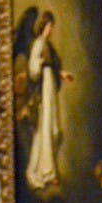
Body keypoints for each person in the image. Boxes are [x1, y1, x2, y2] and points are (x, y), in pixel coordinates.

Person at [25, 10, 73, 190]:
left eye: (52, 26)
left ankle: (44, 171)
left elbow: (52, 66)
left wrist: (63, 74)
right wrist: (41, 65)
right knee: (45, 128)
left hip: (50, 87)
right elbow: (33, 70)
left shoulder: (48, 46)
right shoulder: (38, 44)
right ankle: (46, 173)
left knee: (53, 129)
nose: (52, 29)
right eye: (50, 26)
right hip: (43, 90)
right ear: (44, 26)